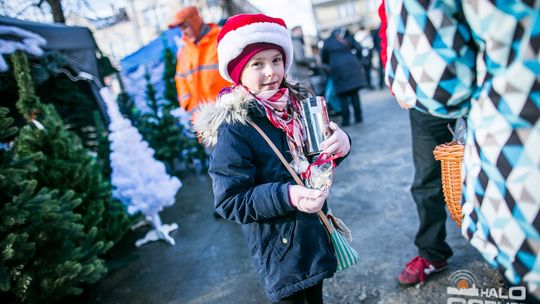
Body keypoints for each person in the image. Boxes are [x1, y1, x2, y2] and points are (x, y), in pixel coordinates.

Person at [382, 0, 540, 300]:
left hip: (521, 155)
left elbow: (439, 86)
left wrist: (406, 83)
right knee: (427, 178)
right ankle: (432, 251)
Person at [193, 13, 351, 303]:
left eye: (276, 60)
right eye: (257, 64)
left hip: (313, 234)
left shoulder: (296, 106)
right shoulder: (235, 127)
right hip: (278, 249)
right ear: (238, 71)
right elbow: (230, 201)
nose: (270, 72)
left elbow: (316, 162)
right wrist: (289, 196)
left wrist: (341, 144)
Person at [168, 6, 231, 112]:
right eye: (180, 29)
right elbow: (180, 78)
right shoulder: (184, 51)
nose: (183, 33)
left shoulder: (221, 39)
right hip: (200, 118)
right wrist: (187, 103)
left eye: (185, 27)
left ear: (194, 22)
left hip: (227, 112)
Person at [321, 28, 367, 126]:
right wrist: (358, 60)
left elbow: (323, 59)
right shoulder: (348, 38)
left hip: (337, 70)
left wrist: (329, 68)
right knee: (354, 94)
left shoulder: (328, 42)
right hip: (353, 67)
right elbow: (359, 48)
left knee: (343, 96)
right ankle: (358, 118)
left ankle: (346, 120)